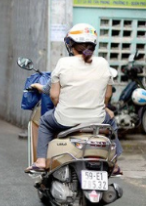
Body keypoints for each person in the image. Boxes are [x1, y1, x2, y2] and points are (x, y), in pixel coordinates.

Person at [25, 23, 123, 176]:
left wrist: (60, 105)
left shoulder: (63, 63)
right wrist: (102, 107)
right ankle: (115, 164)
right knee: (111, 120)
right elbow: (107, 95)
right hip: (96, 119)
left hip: (65, 119)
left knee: (44, 121)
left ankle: (41, 161)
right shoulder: (103, 63)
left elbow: (53, 95)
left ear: (70, 44)